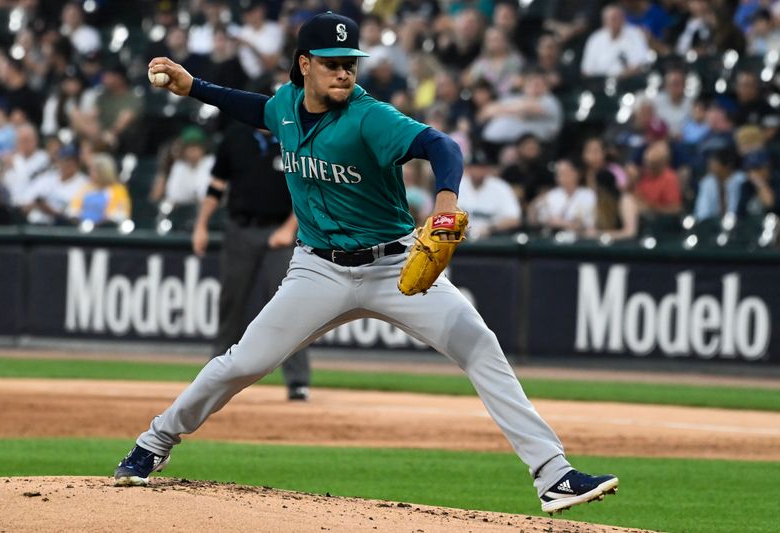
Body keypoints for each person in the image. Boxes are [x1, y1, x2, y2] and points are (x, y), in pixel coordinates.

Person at [113, 12, 618, 514]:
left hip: (392, 266)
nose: (344, 72)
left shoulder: (368, 116)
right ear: (304, 64)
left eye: (350, 62)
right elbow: (257, 109)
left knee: (479, 346)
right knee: (244, 362)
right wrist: (194, 86)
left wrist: (444, 205)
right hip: (318, 269)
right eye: (332, 63)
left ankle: (555, 475)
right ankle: (153, 443)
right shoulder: (286, 106)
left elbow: (441, 146)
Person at [192, 120, 311, 401]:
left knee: (288, 305)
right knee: (231, 302)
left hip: (279, 232)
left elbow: (308, 190)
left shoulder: (295, 136)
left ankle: (298, 381)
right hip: (240, 229)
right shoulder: (235, 136)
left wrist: (288, 228)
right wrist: (201, 224)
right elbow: (217, 185)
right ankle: (213, 378)